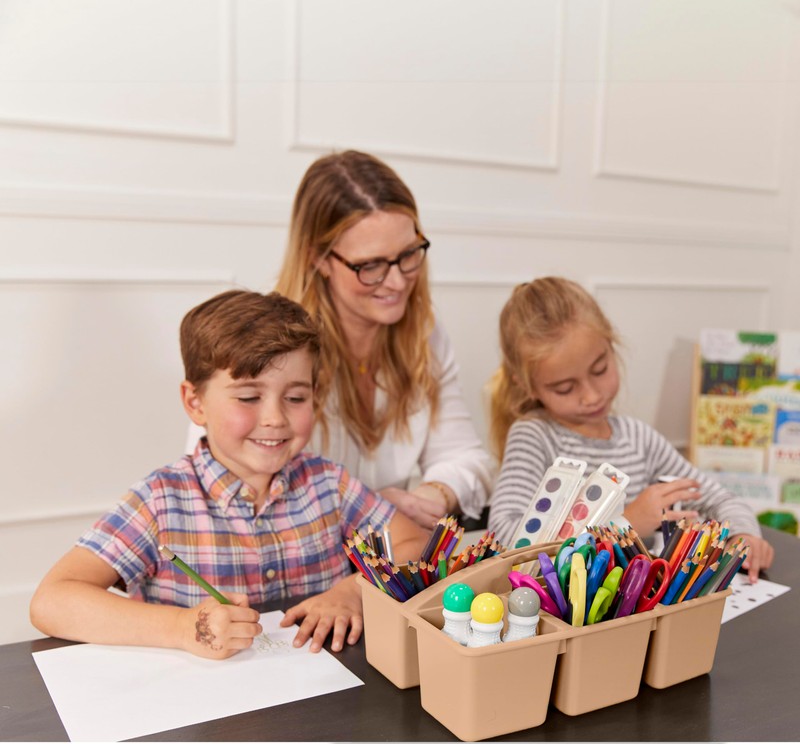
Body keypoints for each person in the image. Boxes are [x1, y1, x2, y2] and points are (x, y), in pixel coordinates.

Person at [30, 290, 428, 659]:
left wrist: (354, 591)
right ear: (195, 402)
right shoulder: (161, 500)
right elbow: (52, 601)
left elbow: (416, 542)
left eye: (295, 397)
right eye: (249, 397)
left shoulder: (328, 484)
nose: (275, 418)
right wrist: (183, 628)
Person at [486, 276, 774, 582]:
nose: (591, 396)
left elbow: (718, 498)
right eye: (564, 388)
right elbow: (505, 538)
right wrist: (624, 524)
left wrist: (743, 535)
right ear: (526, 385)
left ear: (611, 347)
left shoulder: (638, 438)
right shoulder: (533, 436)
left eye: (600, 370)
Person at [273, 149, 494, 529]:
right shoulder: (266, 344)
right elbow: (229, 485)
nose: (396, 282)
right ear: (318, 258)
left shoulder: (424, 334)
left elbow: (468, 459)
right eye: (371, 265)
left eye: (408, 254)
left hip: (392, 551)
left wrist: (430, 496)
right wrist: (370, 508)